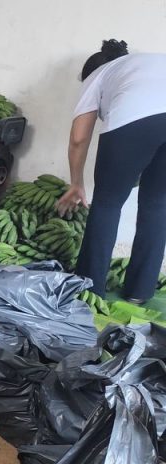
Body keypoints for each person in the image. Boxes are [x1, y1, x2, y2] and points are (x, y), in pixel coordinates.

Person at [58, 39, 166, 304]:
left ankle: (89, 290)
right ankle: (139, 293)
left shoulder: (98, 74)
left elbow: (78, 138)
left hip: (134, 120)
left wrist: (76, 184)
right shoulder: (145, 63)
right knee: (158, 205)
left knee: (107, 204)